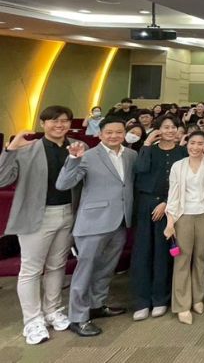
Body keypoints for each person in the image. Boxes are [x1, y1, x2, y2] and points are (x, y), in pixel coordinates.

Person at [0, 106, 85, 344]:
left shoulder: (78, 146)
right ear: (42, 123)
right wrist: (9, 151)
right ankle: (32, 320)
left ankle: (53, 310)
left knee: (57, 265)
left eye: (64, 121)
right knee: (31, 269)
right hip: (36, 215)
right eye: (53, 121)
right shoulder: (26, 148)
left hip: (68, 212)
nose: (59, 125)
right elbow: (2, 179)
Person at [55, 117, 136, 336]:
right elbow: (63, 184)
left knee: (106, 268)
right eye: (109, 132)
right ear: (100, 134)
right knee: (85, 271)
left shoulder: (131, 155)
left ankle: (97, 305)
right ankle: (78, 317)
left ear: (124, 134)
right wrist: (73, 159)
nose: (114, 136)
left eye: (118, 132)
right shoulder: (88, 156)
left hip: (120, 221)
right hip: (93, 221)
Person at [131, 115, 188, 321]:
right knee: (143, 253)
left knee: (163, 253)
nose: (170, 131)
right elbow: (140, 170)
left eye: (173, 127)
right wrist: (147, 142)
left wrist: (166, 203)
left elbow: (183, 183)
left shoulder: (182, 152)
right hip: (146, 204)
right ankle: (142, 301)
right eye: (165, 127)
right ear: (158, 130)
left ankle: (160, 299)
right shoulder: (148, 150)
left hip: (170, 206)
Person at [163, 131, 204, 325]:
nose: (195, 147)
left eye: (200, 143)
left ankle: (197, 298)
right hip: (183, 215)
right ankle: (182, 304)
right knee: (182, 258)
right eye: (192, 143)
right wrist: (170, 222)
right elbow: (173, 195)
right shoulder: (178, 166)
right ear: (186, 144)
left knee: (200, 256)